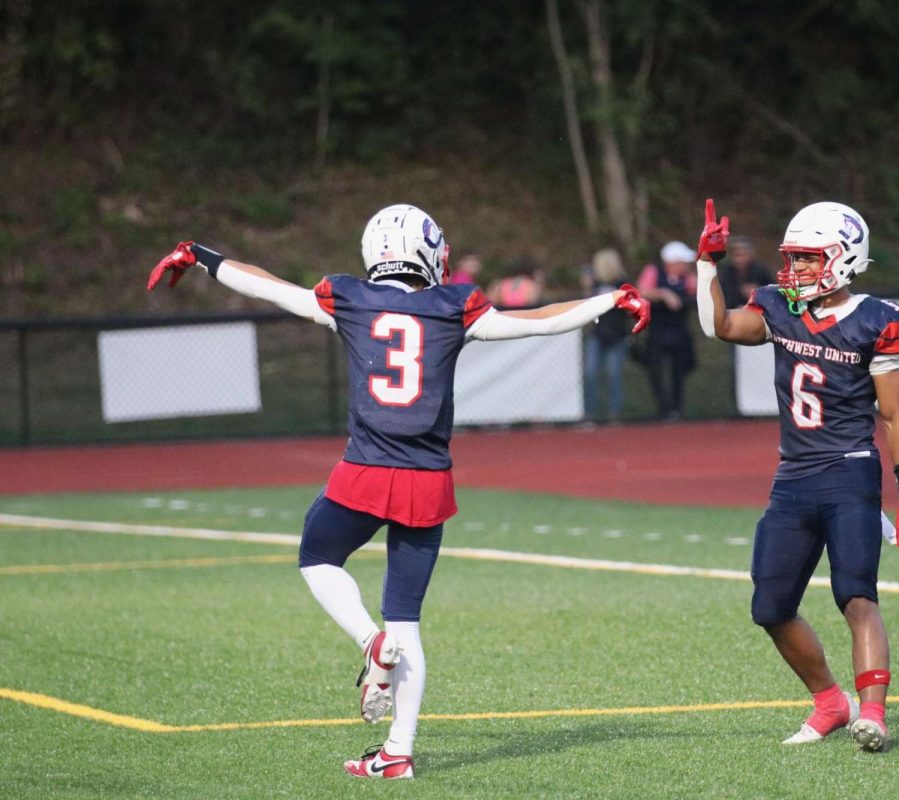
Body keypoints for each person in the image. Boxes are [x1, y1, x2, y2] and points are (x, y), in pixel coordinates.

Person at [147, 204, 650, 779]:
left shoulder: (350, 298)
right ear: (426, 251)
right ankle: (398, 753)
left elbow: (271, 287)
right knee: (406, 618)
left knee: (317, 557)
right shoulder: (452, 305)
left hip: (365, 469)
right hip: (427, 479)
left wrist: (203, 257)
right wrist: (610, 299)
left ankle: (367, 641)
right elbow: (536, 320)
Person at [694, 198, 899, 752]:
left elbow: (894, 414)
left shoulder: (876, 321)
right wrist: (707, 265)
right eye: (792, 259)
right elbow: (722, 325)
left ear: (844, 259)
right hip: (793, 475)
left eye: (806, 259)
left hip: (849, 473)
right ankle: (830, 702)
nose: (793, 270)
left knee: (856, 595)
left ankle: (873, 714)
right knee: (769, 607)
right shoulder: (779, 307)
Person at [636, 241, 698, 420]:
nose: (686, 265)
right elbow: (641, 291)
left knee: (679, 371)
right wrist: (663, 294)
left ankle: (676, 409)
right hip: (657, 331)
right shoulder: (654, 271)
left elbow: (699, 291)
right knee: (656, 370)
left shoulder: (688, 278)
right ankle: (662, 409)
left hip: (680, 331)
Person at [580, 248, 632, 422]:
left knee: (613, 373)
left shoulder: (623, 283)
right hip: (597, 334)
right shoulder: (594, 285)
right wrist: (588, 287)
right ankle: (589, 414)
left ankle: (614, 414)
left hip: (617, 335)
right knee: (590, 373)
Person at [718, 235, 773, 308]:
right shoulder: (727, 272)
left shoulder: (761, 271)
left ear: (750, 255)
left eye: (743, 255)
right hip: (733, 311)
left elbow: (773, 291)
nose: (739, 260)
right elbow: (723, 295)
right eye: (736, 255)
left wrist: (758, 292)